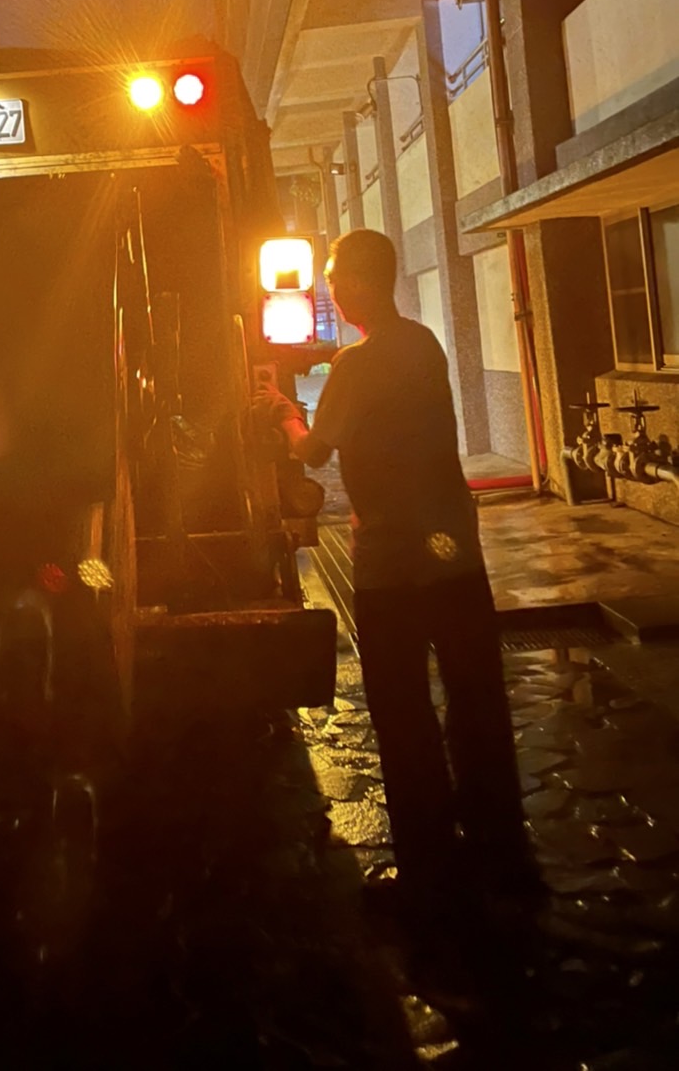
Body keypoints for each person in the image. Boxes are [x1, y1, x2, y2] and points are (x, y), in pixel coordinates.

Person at [257, 228, 538, 918]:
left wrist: (282, 413)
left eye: (333, 277)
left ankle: (429, 868)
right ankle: (502, 851)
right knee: (477, 701)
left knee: (403, 711)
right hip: (456, 555)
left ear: (357, 282)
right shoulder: (423, 344)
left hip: (391, 566)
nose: (329, 289)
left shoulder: (357, 363)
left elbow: (315, 452)